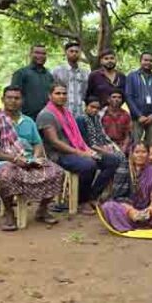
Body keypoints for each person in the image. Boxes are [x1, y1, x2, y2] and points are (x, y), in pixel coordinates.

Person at [0, 86, 63, 231]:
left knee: (57, 172)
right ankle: (9, 212)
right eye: (9, 98)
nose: (13, 101)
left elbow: (37, 143)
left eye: (17, 98)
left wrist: (36, 158)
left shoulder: (28, 121)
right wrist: (13, 159)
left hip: (29, 159)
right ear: (3, 100)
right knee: (7, 176)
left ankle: (42, 210)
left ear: (22, 101)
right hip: (5, 160)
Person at [37, 83, 120, 215]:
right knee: (89, 164)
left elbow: (77, 137)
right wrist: (80, 153)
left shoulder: (66, 113)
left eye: (64, 93)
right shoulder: (46, 115)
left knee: (113, 160)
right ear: (50, 95)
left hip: (76, 151)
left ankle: (92, 196)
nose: (62, 96)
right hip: (58, 155)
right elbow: (55, 142)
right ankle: (81, 201)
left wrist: (86, 151)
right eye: (58, 93)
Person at [100, 143, 152, 232]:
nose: (140, 155)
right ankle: (142, 223)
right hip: (127, 208)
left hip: (147, 208)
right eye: (137, 152)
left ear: (148, 154)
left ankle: (150, 221)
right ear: (132, 154)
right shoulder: (123, 169)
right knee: (108, 207)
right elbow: (118, 197)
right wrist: (131, 211)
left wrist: (151, 208)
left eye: (143, 152)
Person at [125, 52, 152, 146]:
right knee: (135, 145)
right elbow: (128, 97)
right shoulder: (132, 76)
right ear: (140, 61)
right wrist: (139, 115)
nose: (148, 62)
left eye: (151, 61)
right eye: (145, 60)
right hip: (137, 119)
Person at [11, 44, 54, 119]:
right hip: (27, 118)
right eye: (37, 53)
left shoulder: (49, 75)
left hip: (46, 119)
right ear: (30, 54)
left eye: (43, 53)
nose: (40, 56)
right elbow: (13, 98)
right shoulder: (21, 73)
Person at [52, 42, 89, 117]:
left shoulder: (85, 73)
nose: (74, 53)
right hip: (62, 113)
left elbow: (85, 94)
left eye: (76, 51)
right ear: (66, 53)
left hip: (80, 114)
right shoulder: (57, 71)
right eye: (71, 51)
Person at [101, 89, 132, 154]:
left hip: (121, 145)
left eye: (119, 97)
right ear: (108, 99)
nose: (116, 99)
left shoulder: (126, 115)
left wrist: (124, 147)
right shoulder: (101, 114)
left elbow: (128, 135)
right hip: (105, 145)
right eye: (114, 97)